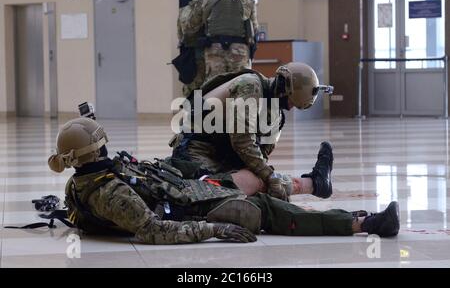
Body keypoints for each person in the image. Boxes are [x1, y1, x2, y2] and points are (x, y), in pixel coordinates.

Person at [48, 117, 400, 245]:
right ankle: (363, 224)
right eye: (102, 144)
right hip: (195, 211)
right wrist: (213, 231)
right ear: (94, 152)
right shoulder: (110, 193)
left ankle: (325, 195)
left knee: (250, 182)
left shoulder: (88, 179)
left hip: (190, 192)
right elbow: (154, 231)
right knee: (266, 210)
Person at [170, 62, 334, 202]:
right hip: (195, 151)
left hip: (222, 156)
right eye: (291, 101)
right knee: (222, 190)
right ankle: (313, 184)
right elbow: (242, 141)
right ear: (283, 88)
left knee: (255, 181)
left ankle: (316, 183)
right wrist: (270, 178)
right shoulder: (250, 86)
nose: (290, 107)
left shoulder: (276, 115)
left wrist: (269, 179)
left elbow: (260, 158)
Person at [185, 0, 258, 80]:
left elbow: (191, 26)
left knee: (214, 87)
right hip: (240, 51)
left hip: (214, 50)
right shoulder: (249, 1)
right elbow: (255, 29)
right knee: (240, 86)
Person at [177, 0, 221, 97]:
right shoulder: (226, 8)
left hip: (196, 62)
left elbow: (182, 36)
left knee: (194, 96)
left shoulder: (187, 10)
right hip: (220, 61)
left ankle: (195, 115)